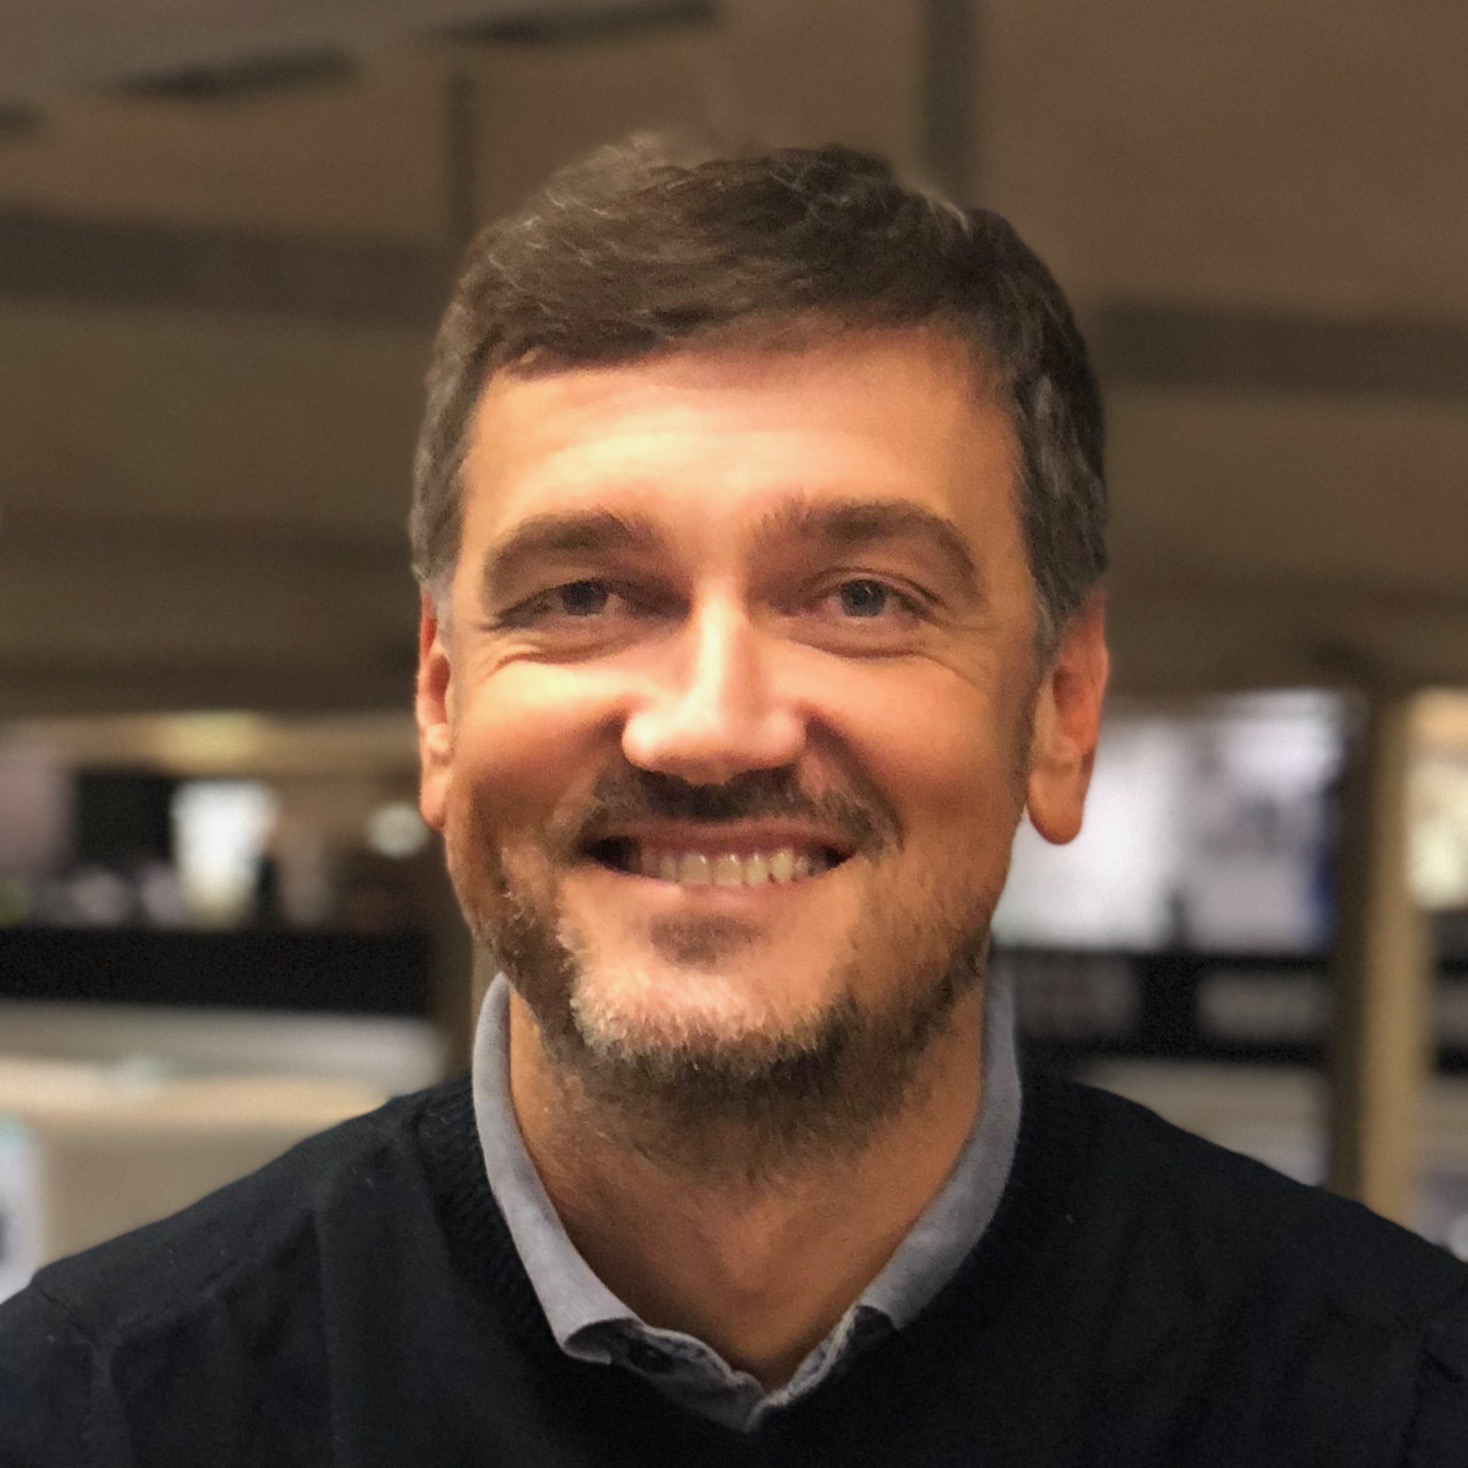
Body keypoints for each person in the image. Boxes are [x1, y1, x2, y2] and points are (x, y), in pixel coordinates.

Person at [3, 137, 1466, 1466]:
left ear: (1060, 707)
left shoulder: (1398, 1408)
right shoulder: (94, 1418)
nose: (709, 728)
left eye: (862, 598)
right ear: (442, 702)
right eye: (585, 596)